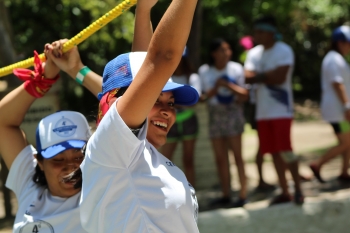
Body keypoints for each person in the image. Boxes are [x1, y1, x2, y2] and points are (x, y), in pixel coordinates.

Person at [0, 0, 158, 231]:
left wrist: (77, 70)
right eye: (57, 160)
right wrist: (42, 80)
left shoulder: (106, 183)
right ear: (39, 163)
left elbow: (135, 98)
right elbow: (3, 121)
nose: (70, 167)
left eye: (78, 156)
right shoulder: (29, 185)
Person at [51, 0, 200, 232]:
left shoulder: (131, 152)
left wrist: (143, 11)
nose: (167, 110)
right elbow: (159, 59)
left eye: (171, 102)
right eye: (155, 99)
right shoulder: (113, 149)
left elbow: (142, 69)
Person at [244, 16, 304, 205]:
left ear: (271, 31)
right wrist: (269, 75)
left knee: (286, 150)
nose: (257, 35)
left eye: (260, 31)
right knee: (274, 153)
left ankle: (298, 190)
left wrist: (260, 76)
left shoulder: (284, 50)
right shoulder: (254, 53)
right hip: (262, 112)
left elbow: (280, 77)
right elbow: (247, 77)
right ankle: (285, 191)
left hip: (281, 111)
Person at [199, 38, 248, 208]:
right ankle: (226, 194)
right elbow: (203, 97)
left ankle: (243, 194)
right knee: (220, 158)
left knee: (237, 156)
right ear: (213, 54)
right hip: (215, 113)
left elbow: (244, 95)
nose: (227, 53)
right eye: (222, 50)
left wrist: (227, 85)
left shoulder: (236, 68)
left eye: (228, 49)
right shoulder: (205, 71)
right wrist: (216, 89)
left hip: (233, 112)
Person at [309, 25, 350, 183]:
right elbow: (337, 84)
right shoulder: (333, 59)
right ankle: (317, 164)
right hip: (338, 110)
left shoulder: (339, 59)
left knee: (348, 141)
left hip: (341, 109)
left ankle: (344, 172)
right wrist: (346, 106)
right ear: (340, 43)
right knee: (346, 142)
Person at [161, 48, 201, 187]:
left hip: (188, 121)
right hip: (169, 122)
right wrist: (181, 103)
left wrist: (173, 103)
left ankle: (192, 194)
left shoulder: (193, 77)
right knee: (165, 161)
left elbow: (195, 101)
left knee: (188, 160)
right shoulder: (164, 76)